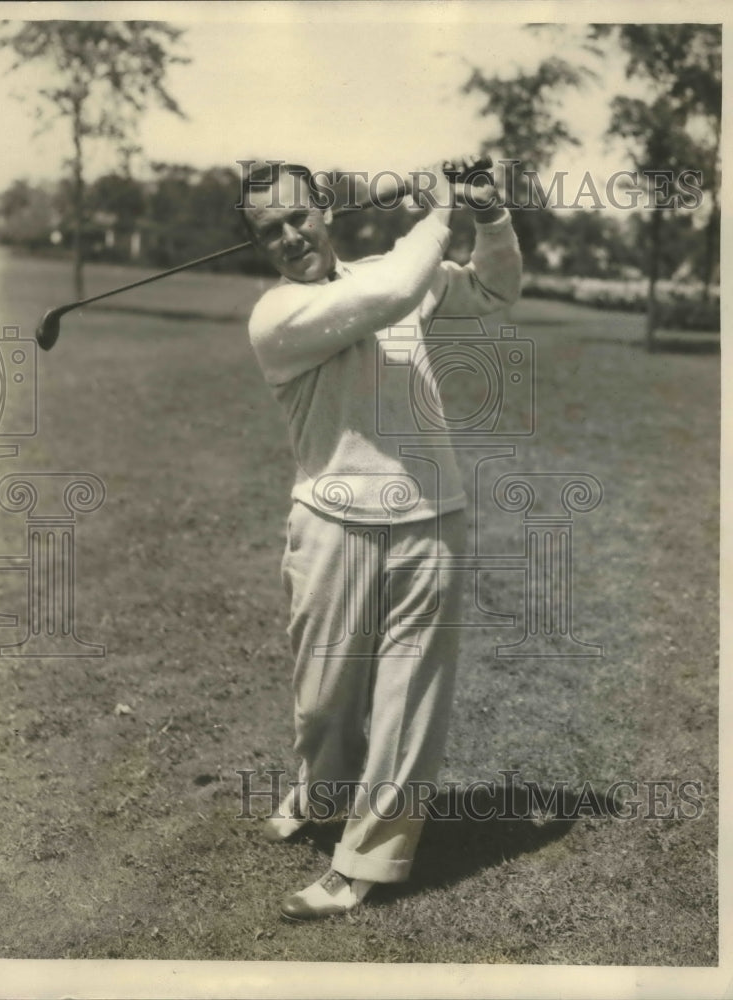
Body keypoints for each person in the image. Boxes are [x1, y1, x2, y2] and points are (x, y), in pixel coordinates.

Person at [239, 159, 522, 920]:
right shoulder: (277, 316)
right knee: (325, 702)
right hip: (331, 521)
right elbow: (391, 290)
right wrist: (435, 212)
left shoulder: (393, 270)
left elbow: (495, 291)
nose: (290, 237)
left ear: (325, 210)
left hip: (432, 515)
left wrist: (489, 219)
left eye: (299, 217)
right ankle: (322, 788)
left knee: (407, 701)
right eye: (270, 231)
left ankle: (361, 865)